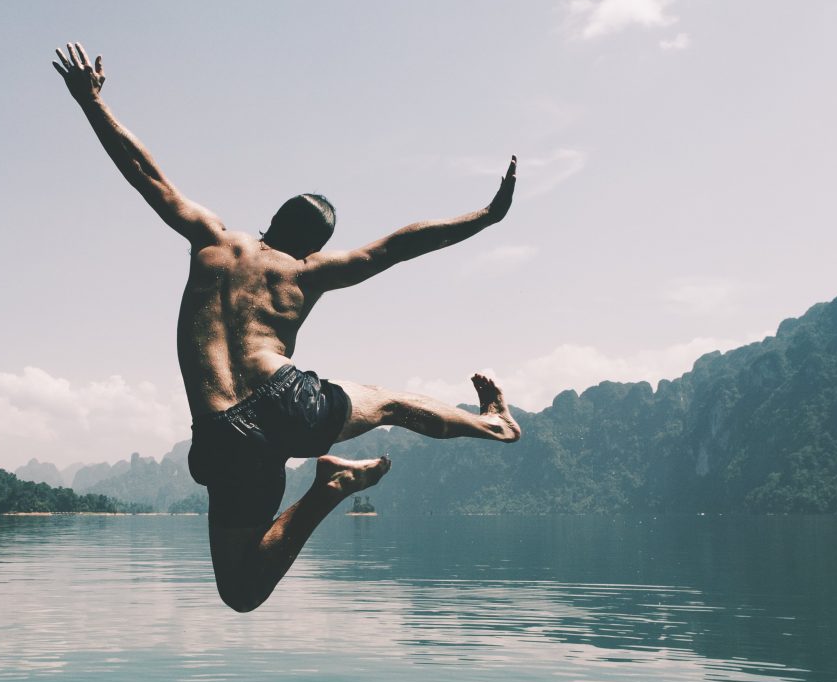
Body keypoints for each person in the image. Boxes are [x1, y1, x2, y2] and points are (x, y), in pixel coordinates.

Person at [53, 42, 521, 612]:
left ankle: (327, 490)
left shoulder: (213, 240)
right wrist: (486, 216)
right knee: (394, 404)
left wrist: (91, 102)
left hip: (223, 432)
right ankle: (492, 425)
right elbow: (397, 247)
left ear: (271, 218)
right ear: (315, 245)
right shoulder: (308, 272)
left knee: (241, 592)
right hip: (288, 400)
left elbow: (146, 175)